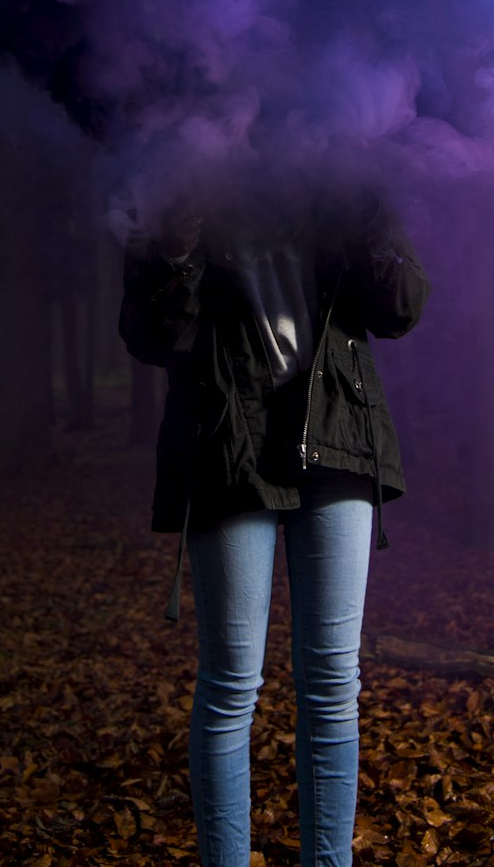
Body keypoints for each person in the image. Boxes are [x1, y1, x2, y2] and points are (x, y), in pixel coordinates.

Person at [119, 183, 429, 867]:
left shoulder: (339, 156)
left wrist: (365, 215)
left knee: (331, 681)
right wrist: (176, 249)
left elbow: (401, 307)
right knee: (231, 682)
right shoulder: (183, 157)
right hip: (226, 439)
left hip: (335, 431)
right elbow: (149, 336)